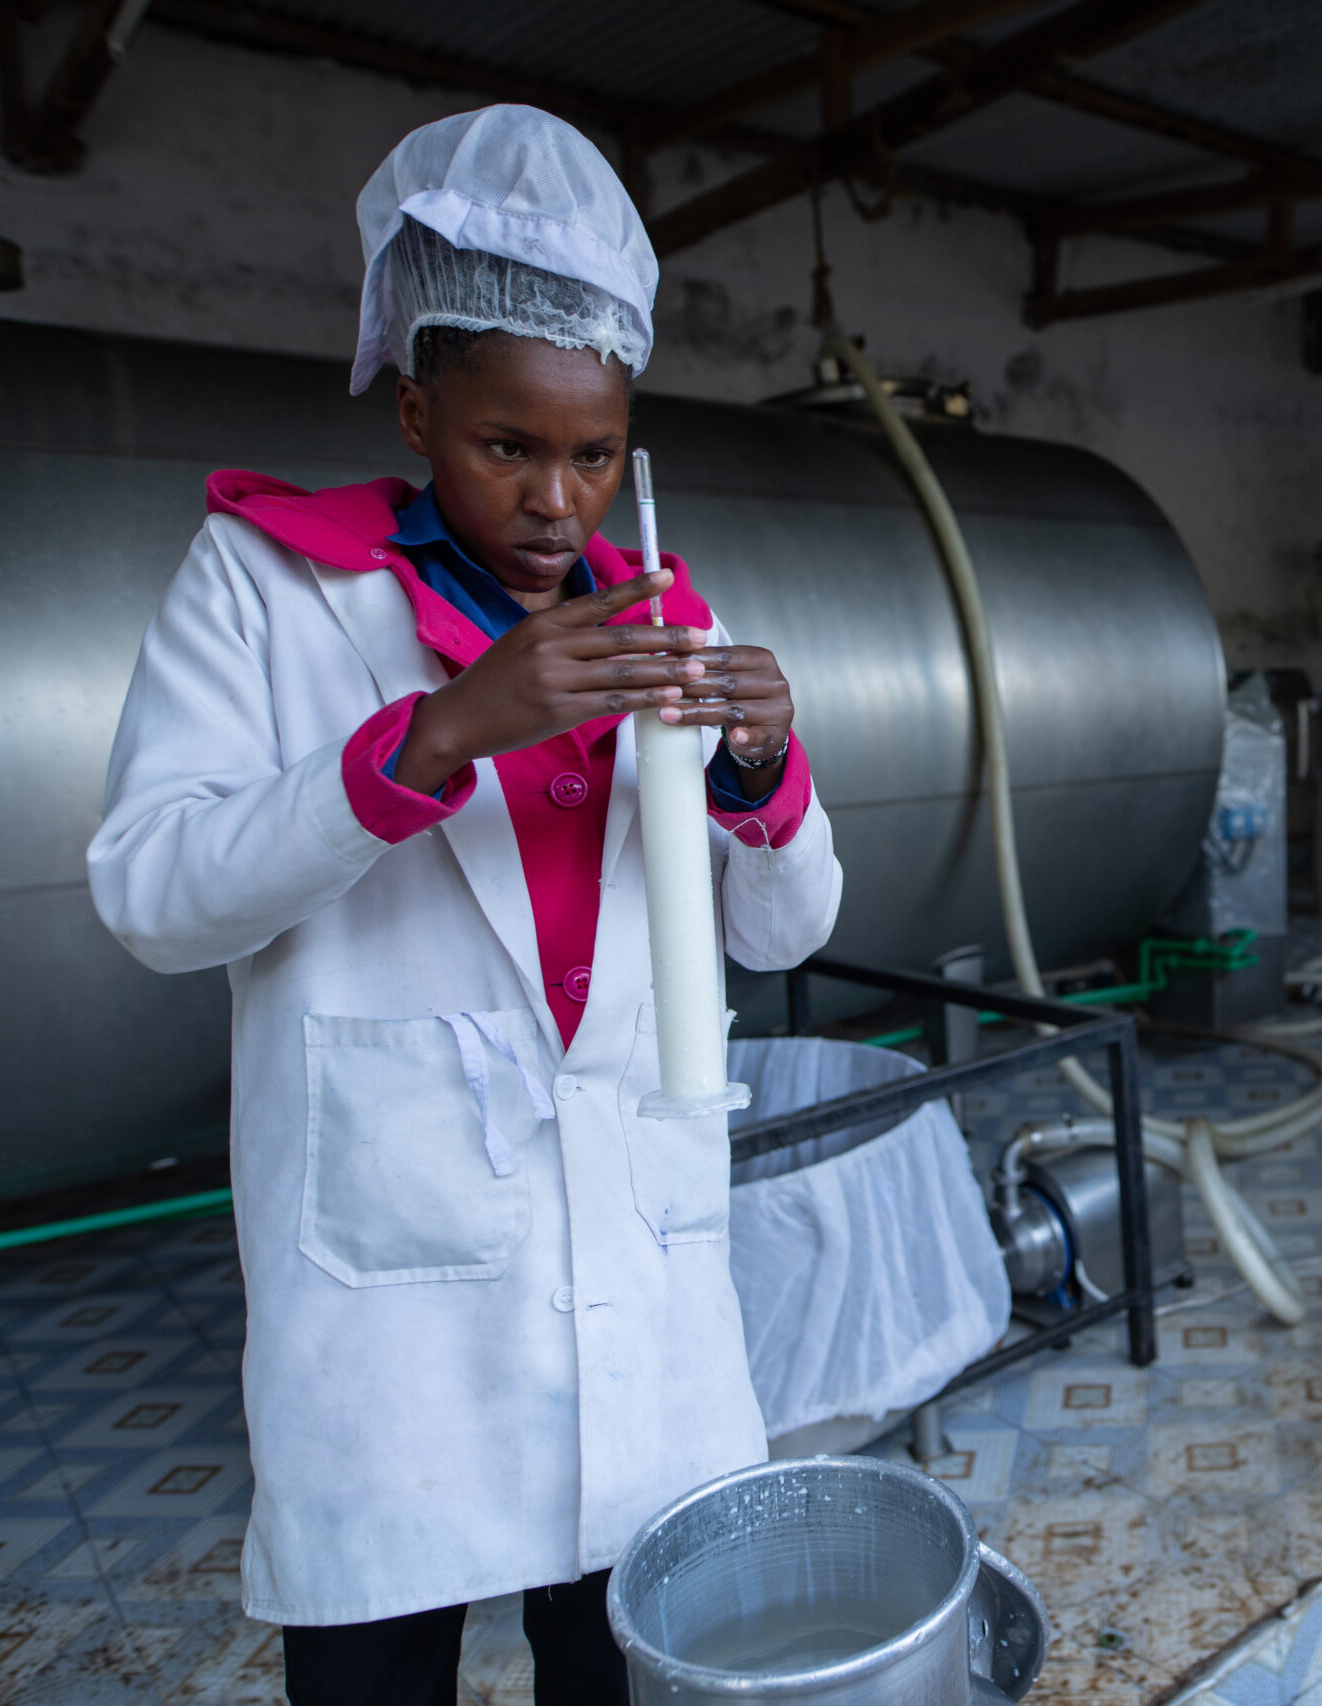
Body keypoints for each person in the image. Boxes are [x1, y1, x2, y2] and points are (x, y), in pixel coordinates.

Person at [87, 107, 842, 1704]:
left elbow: (782, 930)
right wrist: (439, 734)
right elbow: (153, 892)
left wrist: (760, 767)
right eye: (510, 446)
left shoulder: (665, 628)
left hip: (639, 1269)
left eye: (596, 452)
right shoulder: (269, 589)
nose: (559, 503)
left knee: (627, 1657)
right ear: (422, 411)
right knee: (376, 1671)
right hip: (399, 1299)